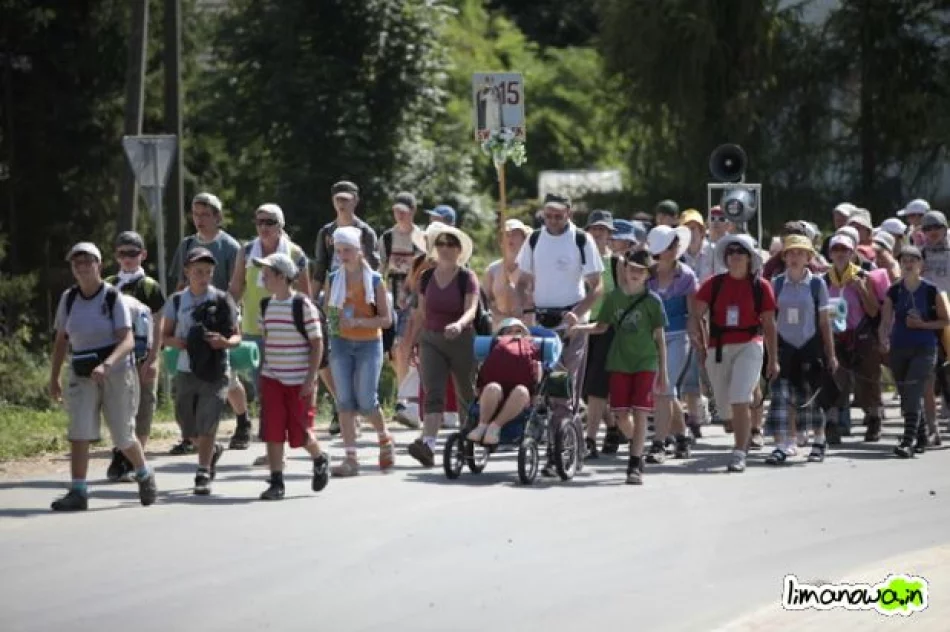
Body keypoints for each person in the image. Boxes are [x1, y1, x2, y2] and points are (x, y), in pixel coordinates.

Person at [48, 242, 158, 511]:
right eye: (77, 262)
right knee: (79, 431)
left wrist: (107, 365)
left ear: (99, 265)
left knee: (122, 435)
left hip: (117, 372)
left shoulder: (112, 297)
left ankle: (144, 473)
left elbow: (127, 340)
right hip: (82, 372)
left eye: (88, 261)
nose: (82, 267)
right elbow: (61, 341)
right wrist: (54, 377)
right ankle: (78, 491)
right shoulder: (69, 299)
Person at [516, 193, 604, 476]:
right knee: (543, 388)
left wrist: (578, 313)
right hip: (542, 322)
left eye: (559, 215)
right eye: (548, 215)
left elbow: (597, 286)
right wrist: (525, 309)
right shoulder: (534, 240)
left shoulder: (581, 240)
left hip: (572, 324)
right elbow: (522, 282)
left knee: (563, 387)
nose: (553, 221)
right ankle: (569, 442)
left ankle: (558, 454)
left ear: (569, 214)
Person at [571, 249, 668, 485]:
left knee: (641, 413)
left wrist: (663, 372)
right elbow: (601, 326)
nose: (635, 273)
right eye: (632, 268)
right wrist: (578, 327)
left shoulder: (653, 301)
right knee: (621, 415)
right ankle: (638, 445)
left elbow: (660, 337)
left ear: (647, 275)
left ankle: (634, 463)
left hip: (645, 361)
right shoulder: (613, 297)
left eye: (641, 271)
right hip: (619, 362)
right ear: (624, 269)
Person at [690, 233, 779, 473]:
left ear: (750, 258)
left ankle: (740, 452)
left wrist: (773, 359)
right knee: (725, 409)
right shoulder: (713, 283)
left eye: (740, 252)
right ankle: (738, 423)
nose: (735, 256)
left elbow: (769, 325)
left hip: (750, 344)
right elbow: (696, 315)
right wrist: (699, 341)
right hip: (718, 347)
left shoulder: (761, 286)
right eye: (731, 252)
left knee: (740, 397)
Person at [228, 203, 312, 450]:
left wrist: (306, 331)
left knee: (284, 389)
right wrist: (226, 314)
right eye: (259, 222)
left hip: (287, 332)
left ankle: (284, 441)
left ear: (280, 225)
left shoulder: (295, 253)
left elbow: (305, 295)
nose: (263, 227)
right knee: (264, 390)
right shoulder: (246, 251)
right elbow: (236, 287)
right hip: (253, 329)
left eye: (269, 222)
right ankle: (275, 443)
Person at [168, 192, 246, 456]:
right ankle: (190, 436)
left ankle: (242, 420)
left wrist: (226, 315)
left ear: (217, 217)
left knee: (226, 376)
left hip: (220, 315)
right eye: (195, 214)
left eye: (205, 214)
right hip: (191, 316)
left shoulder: (230, 246)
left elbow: (237, 285)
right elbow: (180, 282)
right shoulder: (187, 244)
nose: (199, 219)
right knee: (189, 376)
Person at [162, 247, 240, 495]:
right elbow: (165, 335)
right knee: (186, 423)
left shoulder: (222, 299)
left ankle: (203, 471)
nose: (203, 276)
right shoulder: (177, 301)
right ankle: (211, 449)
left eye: (208, 271)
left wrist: (225, 342)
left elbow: (237, 335)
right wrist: (180, 342)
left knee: (208, 420)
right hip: (186, 368)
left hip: (216, 369)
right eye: (198, 271)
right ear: (187, 272)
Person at [253, 253, 330, 499]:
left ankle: (319, 458)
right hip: (272, 378)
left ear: (281, 276)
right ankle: (276, 481)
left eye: (267, 273)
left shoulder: (302, 305)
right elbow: (267, 340)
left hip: (299, 380)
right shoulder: (265, 305)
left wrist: (310, 378)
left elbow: (317, 343)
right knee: (272, 430)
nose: (263, 277)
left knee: (300, 433)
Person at [323, 226, 395, 476]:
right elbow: (329, 312)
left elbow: (386, 320)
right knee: (344, 401)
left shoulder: (374, 280)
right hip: (341, 343)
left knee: (366, 401)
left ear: (359, 251)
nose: (342, 256)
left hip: (369, 344)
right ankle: (350, 458)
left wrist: (359, 322)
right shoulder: (334, 278)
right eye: (339, 251)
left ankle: (384, 438)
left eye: (347, 250)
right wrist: (334, 327)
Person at [407, 224, 479, 467]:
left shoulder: (466, 277)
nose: (445, 248)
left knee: (466, 393)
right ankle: (428, 444)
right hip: (431, 340)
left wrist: (459, 324)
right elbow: (421, 313)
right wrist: (412, 343)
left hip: (461, 340)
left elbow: (471, 308)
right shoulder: (426, 277)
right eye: (440, 243)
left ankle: (468, 441)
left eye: (451, 244)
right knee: (433, 393)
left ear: (459, 249)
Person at [763, 236, 838, 465]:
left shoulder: (817, 284)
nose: (795, 257)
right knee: (781, 397)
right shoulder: (776, 284)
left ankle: (819, 441)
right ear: (784, 257)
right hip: (784, 347)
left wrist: (831, 354)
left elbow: (824, 322)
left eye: (800, 253)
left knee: (813, 396)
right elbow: (769, 321)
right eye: (790, 253)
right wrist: (771, 356)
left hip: (809, 346)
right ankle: (782, 445)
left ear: (808, 257)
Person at [103, 231, 166, 481]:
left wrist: (154, 358)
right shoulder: (109, 284)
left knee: (143, 407)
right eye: (122, 254)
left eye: (133, 253)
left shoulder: (149, 286)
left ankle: (134, 461)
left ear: (143, 255)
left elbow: (159, 323)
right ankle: (121, 454)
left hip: (143, 356)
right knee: (119, 405)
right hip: (117, 356)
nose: (127, 259)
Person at [879, 246, 949, 457]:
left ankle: (907, 441)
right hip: (899, 347)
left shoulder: (931, 290)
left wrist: (922, 325)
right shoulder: (894, 291)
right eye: (904, 261)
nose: (908, 264)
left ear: (921, 265)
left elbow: (945, 320)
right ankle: (921, 436)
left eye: (913, 260)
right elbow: (885, 321)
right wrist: (883, 338)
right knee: (905, 393)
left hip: (924, 347)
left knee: (913, 388)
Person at [823, 233, 886, 443]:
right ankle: (832, 424)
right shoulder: (824, 280)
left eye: (845, 250)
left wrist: (861, 290)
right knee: (835, 380)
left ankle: (874, 418)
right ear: (830, 254)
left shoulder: (863, 276)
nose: (840, 254)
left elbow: (874, 311)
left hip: (862, 335)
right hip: (836, 336)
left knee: (868, 380)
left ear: (852, 253)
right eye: (836, 250)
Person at [645, 224, 698, 462]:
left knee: (663, 389)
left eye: (675, 244)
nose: (676, 248)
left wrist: (696, 340)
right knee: (667, 391)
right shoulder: (647, 275)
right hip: (652, 339)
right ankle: (683, 437)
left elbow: (693, 313)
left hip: (678, 336)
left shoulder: (686, 275)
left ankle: (659, 443)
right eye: (670, 245)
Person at [379, 191, 427, 428]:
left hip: (416, 297)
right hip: (392, 296)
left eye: (404, 211)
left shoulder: (422, 238)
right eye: (396, 211)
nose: (399, 215)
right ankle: (405, 399)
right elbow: (380, 269)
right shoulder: (387, 238)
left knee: (406, 347)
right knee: (395, 351)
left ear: (413, 211)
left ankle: (406, 401)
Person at [579, 210, 623, 459]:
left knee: (597, 385)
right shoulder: (579, 260)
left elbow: (624, 298)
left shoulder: (617, 263)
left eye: (603, 229)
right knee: (585, 389)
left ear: (609, 234)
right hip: (582, 326)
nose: (598, 233)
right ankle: (613, 427)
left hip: (608, 329)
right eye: (594, 228)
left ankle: (590, 440)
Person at [466, 318, 543, 445]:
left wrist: (535, 397)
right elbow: (482, 375)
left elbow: (537, 379)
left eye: (518, 331)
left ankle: (494, 427)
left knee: (521, 391)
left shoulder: (532, 349)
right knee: (492, 387)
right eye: (509, 331)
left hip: (520, 399)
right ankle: (482, 426)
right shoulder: (494, 348)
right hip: (494, 395)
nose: (514, 334)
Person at [312, 180, 380, 298]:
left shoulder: (366, 232)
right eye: (337, 199)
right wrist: (312, 300)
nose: (341, 204)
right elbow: (320, 269)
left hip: (360, 292)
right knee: (331, 311)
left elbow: (373, 268)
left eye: (345, 200)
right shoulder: (326, 232)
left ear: (355, 200)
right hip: (334, 291)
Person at [918, 210, 950, 444]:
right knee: (935, 365)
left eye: (936, 227)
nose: (932, 232)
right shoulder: (920, 254)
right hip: (929, 314)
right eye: (927, 229)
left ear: (945, 228)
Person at [483, 218, 532, 331]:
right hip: (500, 327)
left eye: (515, 234)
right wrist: (498, 315)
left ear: (524, 239)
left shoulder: (531, 269)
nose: (510, 238)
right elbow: (485, 301)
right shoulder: (492, 270)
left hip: (527, 327)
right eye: (507, 235)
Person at [681, 209, 715, 283]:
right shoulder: (677, 255)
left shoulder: (713, 251)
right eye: (685, 229)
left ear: (702, 231)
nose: (689, 233)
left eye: (692, 228)